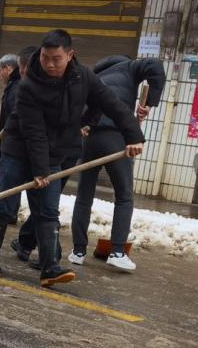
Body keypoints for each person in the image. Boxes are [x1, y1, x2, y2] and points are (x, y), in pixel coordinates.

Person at [0, 29, 144, 288]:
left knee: (47, 210)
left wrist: (133, 135)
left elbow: (111, 103)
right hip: (20, 149)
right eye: (45, 57)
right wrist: (40, 170)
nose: (49, 64)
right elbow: (33, 132)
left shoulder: (83, 77)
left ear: (70, 55)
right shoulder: (29, 85)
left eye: (56, 58)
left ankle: (49, 268)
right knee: (6, 205)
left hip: (54, 150)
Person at [68, 54, 166, 271]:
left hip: (89, 135)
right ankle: (117, 251)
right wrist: (149, 104)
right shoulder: (130, 67)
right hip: (115, 135)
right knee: (124, 195)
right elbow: (155, 65)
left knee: (84, 194)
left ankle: (78, 251)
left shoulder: (94, 74)